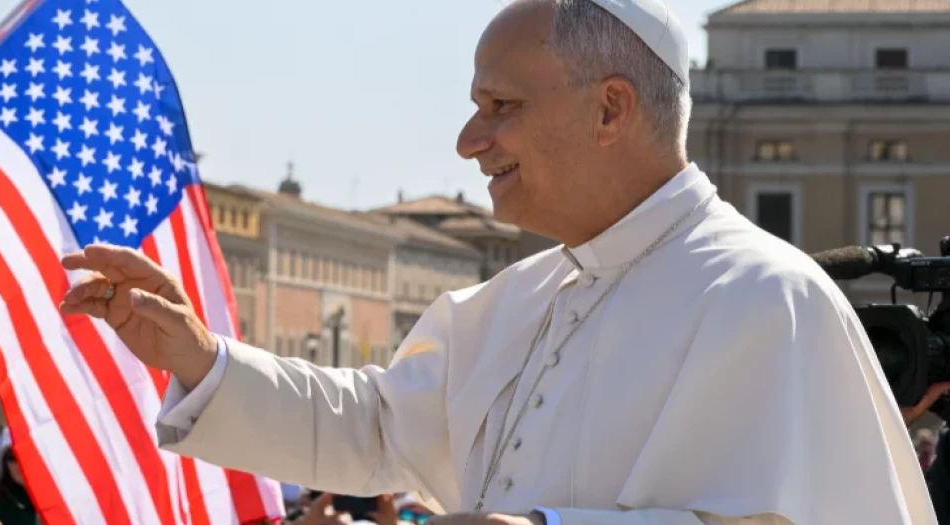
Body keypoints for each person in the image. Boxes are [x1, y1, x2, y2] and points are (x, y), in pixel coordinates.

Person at [59, 0, 935, 523]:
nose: (470, 140)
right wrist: (200, 356)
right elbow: (372, 428)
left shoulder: (768, 298)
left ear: (611, 109)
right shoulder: (514, 299)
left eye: (499, 106)